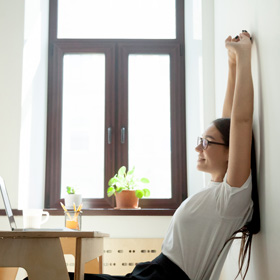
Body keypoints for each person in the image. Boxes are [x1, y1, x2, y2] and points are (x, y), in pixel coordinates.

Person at [25, 31, 260, 280]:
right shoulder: (217, 190)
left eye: (205, 143)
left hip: (161, 279)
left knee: (42, 277)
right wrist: (232, 64)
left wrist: (244, 57)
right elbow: (229, 122)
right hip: (150, 274)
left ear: (230, 152)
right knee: (43, 276)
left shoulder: (231, 198)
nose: (197, 148)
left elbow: (240, 123)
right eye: (199, 141)